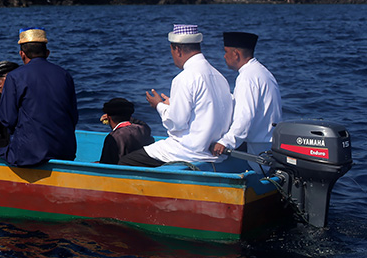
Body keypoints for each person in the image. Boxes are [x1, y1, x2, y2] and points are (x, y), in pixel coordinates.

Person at [120, 24, 233, 167]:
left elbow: (176, 123)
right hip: (214, 152)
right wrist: (172, 105)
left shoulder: (184, 78)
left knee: (125, 162)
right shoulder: (219, 76)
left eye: (171, 51)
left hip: (189, 150)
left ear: (177, 50)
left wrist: (159, 106)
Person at [0, 28, 78, 166]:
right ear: (47, 53)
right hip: (65, 150)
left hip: (30, 153)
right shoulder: (64, 75)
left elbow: (8, 119)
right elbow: (73, 117)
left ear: (22, 54)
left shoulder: (15, 76)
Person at [210, 32, 283, 170]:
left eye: (226, 52)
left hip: (257, 151)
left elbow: (245, 116)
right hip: (270, 145)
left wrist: (225, 142)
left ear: (236, 54)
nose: (224, 56)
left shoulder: (247, 78)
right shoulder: (263, 72)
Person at [97, 97, 154, 164]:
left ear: (109, 118)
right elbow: (139, 122)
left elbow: (106, 164)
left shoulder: (112, 137)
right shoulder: (143, 128)